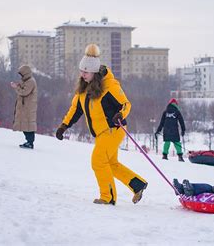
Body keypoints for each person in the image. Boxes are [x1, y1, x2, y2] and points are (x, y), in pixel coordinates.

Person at [55, 44, 148, 206]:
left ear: (94, 72)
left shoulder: (109, 86)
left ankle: (108, 197)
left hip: (113, 130)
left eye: (85, 72)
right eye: (81, 71)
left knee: (98, 161)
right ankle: (137, 184)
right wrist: (64, 126)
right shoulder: (83, 89)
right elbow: (75, 109)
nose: (82, 74)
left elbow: (126, 104)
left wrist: (121, 114)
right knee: (111, 164)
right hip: (101, 133)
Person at [11, 65, 37, 149]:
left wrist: (16, 87)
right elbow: (23, 88)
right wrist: (18, 85)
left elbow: (24, 92)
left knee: (28, 125)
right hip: (25, 107)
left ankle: (30, 142)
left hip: (28, 108)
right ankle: (28, 141)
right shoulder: (27, 80)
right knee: (25, 125)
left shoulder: (31, 81)